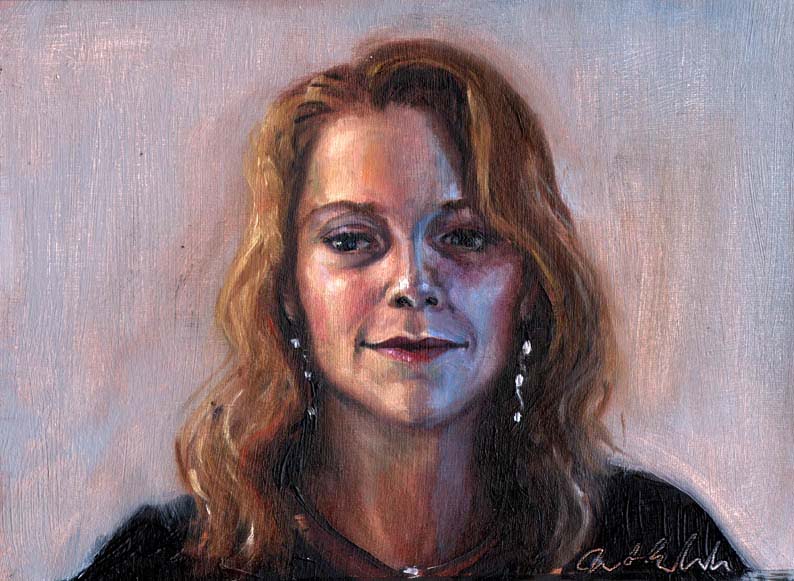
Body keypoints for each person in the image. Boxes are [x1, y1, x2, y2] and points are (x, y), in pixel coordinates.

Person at [70, 39, 747, 580]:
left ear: (531, 283)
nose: (412, 284)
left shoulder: (655, 544)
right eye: (351, 240)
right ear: (288, 290)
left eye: (466, 237)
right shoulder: (168, 560)